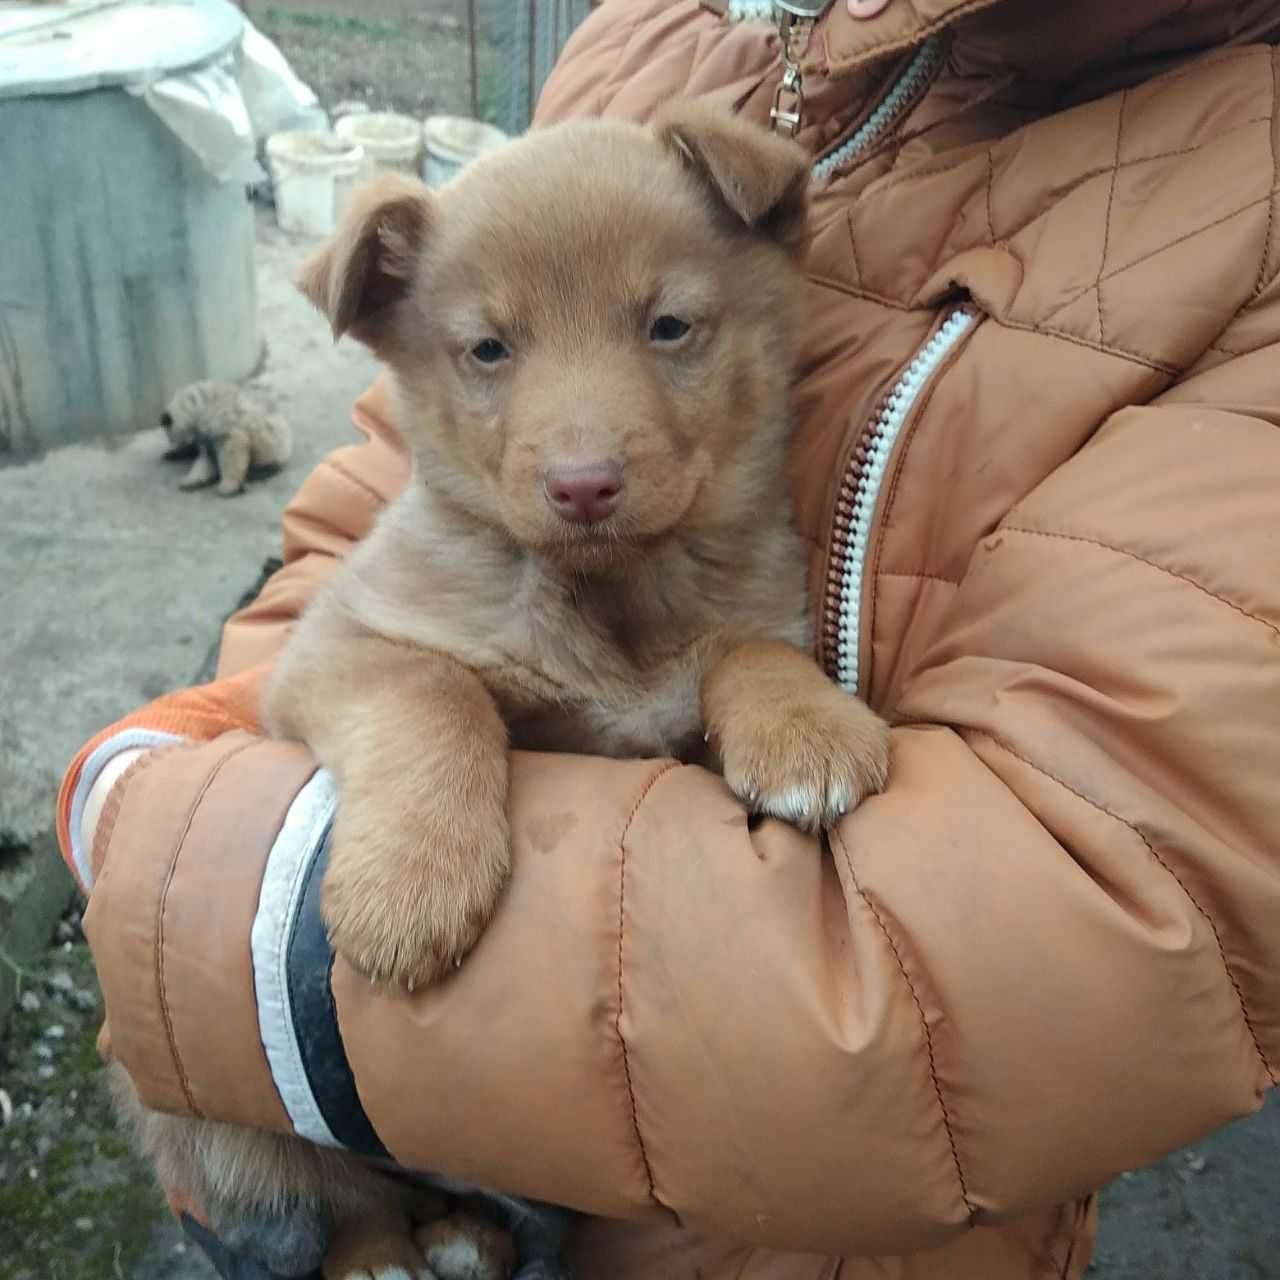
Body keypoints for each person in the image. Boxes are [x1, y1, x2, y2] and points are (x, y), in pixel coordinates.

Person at [62, 1, 1280, 1277]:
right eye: (489, 350)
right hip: (374, 1096)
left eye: (665, 329)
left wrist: (758, 674)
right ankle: (373, 1230)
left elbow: (1046, 950)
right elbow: (346, 588)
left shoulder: (1233, 207)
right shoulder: (645, 32)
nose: (581, 448)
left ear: (767, 254)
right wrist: (330, 765)